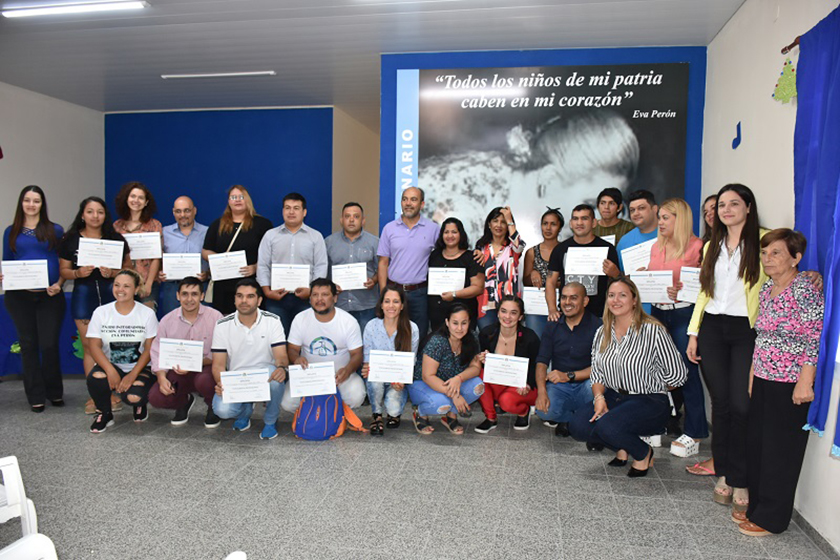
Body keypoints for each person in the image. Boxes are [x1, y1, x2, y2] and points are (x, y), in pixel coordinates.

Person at [420, 110, 640, 246]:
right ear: (549, 179)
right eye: (592, 204)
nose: (598, 220)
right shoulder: (462, 207)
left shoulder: (524, 184)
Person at [737, 229, 824, 536]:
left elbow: (814, 339)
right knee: (758, 444)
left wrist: (806, 380)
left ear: (796, 258)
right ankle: (757, 507)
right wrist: (752, 374)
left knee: (780, 450)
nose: (768, 259)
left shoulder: (806, 290)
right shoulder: (766, 289)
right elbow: (762, 336)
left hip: (790, 381)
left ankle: (772, 518)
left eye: (776, 253)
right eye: (764, 253)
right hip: (763, 376)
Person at [686, 183, 766, 513]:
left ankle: (742, 476)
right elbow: (705, 291)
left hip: (746, 330)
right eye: (721, 205)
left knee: (741, 405)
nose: (726, 210)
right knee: (720, 403)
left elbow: (786, 268)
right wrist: (693, 333)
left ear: (748, 206)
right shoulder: (711, 245)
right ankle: (725, 474)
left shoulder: (765, 240)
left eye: (734, 204)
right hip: (712, 328)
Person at [569, 278, 687, 477]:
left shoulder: (653, 330)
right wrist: (599, 398)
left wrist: (653, 387)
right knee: (578, 426)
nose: (616, 300)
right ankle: (621, 446)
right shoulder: (602, 332)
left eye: (622, 295)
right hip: (614, 396)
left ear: (634, 300)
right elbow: (597, 372)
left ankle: (643, 453)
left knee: (608, 426)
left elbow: (678, 375)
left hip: (649, 399)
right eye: (611, 295)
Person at [58, 196, 131, 415]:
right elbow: (63, 271)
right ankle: (96, 395)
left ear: (104, 215)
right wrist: (77, 273)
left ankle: (113, 392)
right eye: (90, 211)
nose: (95, 216)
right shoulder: (70, 240)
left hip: (112, 297)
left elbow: (128, 268)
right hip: (84, 296)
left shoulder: (116, 239)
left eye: (99, 212)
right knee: (90, 347)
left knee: (112, 345)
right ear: (82, 214)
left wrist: (114, 272)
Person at [647, 198, 707, 457]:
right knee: (657, 370)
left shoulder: (698, 247)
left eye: (665, 217)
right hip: (659, 312)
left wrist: (684, 289)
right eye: (659, 217)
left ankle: (695, 433)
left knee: (688, 374)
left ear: (680, 219)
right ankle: (654, 423)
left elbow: (706, 286)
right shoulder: (655, 247)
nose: (660, 222)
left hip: (684, 313)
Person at [2, 186, 67, 412]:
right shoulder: (11, 231)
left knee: (49, 345)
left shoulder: (55, 230)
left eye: (36, 201)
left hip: (50, 298)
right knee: (28, 345)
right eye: (27, 200)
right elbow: (7, 262)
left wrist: (59, 285)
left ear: (42, 204)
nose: (31, 204)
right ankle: (35, 396)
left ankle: (54, 392)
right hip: (19, 298)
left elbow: (65, 262)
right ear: (21, 203)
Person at [210, 278, 289, 440]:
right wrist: (221, 383)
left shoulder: (272, 320)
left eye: (250, 296)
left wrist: (281, 368)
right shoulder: (222, 324)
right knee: (222, 411)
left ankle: (270, 420)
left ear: (259, 300)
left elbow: (281, 356)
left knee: (276, 377)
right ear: (234, 299)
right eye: (239, 296)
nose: (244, 301)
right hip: (238, 379)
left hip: (265, 375)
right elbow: (218, 365)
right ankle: (245, 410)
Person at [86, 269, 159, 433]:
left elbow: (149, 349)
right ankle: (104, 413)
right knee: (96, 377)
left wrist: (131, 375)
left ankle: (139, 405)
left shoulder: (147, 314)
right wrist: (110, 370)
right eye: (117, 285)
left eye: (126, 286)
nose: (120, 290)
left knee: (134, 397)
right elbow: (94, 346)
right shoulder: (101, 312)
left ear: (136, 289)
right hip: (111, 365)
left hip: (139, 368)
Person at [281, 278, 367, 412]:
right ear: (309, 299)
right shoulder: (300, 319)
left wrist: (348, 370)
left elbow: (357, 354)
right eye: (315, 295)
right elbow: (292, 349)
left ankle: (334, 415)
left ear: (335, 298)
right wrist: (296, 359)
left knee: (356, 396)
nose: (319, 299)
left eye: (325, 295)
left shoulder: (348, 321)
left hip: (339, 377)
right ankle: (314, 414)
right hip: (309, 376)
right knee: (287, 402)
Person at [148, 277, 223, 427]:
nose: (189, 299)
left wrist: (194, 363)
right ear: (177, 296)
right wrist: (161, 377)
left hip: (206, 368)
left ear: (202, 296)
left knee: (205, 381)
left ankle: (212, 406)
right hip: (178, 371)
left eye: (194, 294)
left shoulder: (216, 317)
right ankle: (183, 402)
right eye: (185, 294)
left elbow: (221, 354)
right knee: (156, 397)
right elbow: (157, 352)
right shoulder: (167, 320)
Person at [534, 283, 601, 437]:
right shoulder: (552, 325)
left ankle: (580, 420)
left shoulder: (598, 326)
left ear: (585, 301)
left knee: (596, 389)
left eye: (573, 298)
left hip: (587, 383)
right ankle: (574, 419)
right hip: (559, 386)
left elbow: (600, 367)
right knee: (544, 411)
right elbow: (542, 361)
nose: (567, 302)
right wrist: (542, 391)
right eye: (563, 297)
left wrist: (569, 375)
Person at [408, 303, 485, 435]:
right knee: (441, 405)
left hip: (451, 382)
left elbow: (475, 368)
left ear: (469, 323)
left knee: (478, 386)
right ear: (447, 322)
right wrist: (455, 395)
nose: (459, 328)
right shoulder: (437, 341)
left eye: (464, 323)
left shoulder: (472, 337)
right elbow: (428, 376)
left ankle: (450, 416)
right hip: (423, 383)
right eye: (455, 323)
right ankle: (420, 413)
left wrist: (458, 378)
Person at [257, 192, 327, 335]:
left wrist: (312, 291)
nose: (291, 212)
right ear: (282, 211)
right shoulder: (270, 236)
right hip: (275, 299)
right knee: (278, 339)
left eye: (296, 208)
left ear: (304, 212)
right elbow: (263, 265)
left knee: (304, 338)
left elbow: (321, 265)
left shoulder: (316, 236)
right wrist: (267, 292)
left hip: (306, 299)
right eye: (287, 208)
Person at [202, 185, 273, 316]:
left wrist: (255, 267)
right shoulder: (217, 224)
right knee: (225, 324)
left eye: (241, 197)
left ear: (248, 200)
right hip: (223, 287)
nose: (237, 200)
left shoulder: (262, 224)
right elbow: (205, 251)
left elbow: (272, 255)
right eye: (233, 197)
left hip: (251, 284)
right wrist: (218, 260)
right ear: (229, 201)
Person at [377, 187, 438, 338]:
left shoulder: (433, 229)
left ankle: (416, 363)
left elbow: (448, 254)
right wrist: (384, 294)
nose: (408, 203)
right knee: (393, 335)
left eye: (413, 199)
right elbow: (383, 263)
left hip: (420, 294)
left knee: (420, 335)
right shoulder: (389, 229)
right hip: (394, 291)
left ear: (422, 204)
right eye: (405, 199)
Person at [474, 295, 540, 433]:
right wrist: (481, 360)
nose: (507, 317)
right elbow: (480, 366)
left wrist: (528, 382)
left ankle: (523, 412)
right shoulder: (487, 333)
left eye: (513, 313)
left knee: (507, 401)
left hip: (523, 386)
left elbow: (538, 365)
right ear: (497, 313)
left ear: (521, 316)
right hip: (498, 383)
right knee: (478, 375)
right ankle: (490, 418)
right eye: (503, 311)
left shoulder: (530, 337)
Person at [361, 285, 419, 435]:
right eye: (387, 301)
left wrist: (402, 381)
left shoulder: (412, 328)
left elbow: (410, 361)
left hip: (397, 380)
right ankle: (377, 415)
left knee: (393, 409)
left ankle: (394, 410)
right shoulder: (371, 326)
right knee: (374, 379)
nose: (391, 306)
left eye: (396, 301)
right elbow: (367, 359)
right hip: (377, 378)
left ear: (402, 306)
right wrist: (367, 368)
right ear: (381, 304)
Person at [545, 204, 620, 319]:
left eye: (584, 218)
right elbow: (550, 282)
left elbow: (619, 284)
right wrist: (552, 309)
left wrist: (616, 274)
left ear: (594, 223)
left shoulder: (607, 249)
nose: (579, 223)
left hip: (599, 316)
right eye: (575, 219)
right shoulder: (560, 249)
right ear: (570, 223)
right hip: (568, 314)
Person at [324, 202, 380, 335]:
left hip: (366, 305)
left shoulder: (375, 242)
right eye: (347, 216)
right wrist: (330, 285)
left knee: (365, 347)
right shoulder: (329, 242)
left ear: (363, 220)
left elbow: (382, 270)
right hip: (338, 305)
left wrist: (374, 280)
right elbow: (324, 272)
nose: (351, 220)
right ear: (341, 220)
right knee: (340, 346)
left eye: (356, 216)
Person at [426, 217, 484, 332]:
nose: (450, 236)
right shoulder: (435, 256)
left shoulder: (472, 257)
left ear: (460, 234)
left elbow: (478, 288)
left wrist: (453, 294)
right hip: (437, 316)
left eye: (454, 232)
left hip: (462, 318)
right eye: (446, 232)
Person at [112, 182, 163, 309]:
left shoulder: (154, 225)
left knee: (147, 315)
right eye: (133, 196)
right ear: (126, 199)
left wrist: (149, 283)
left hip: (147, 281)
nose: (136, 200)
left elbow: (157, 257)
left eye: (141, 198)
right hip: (124, 282)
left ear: (146, 202)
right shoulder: (117, 226)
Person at [158, 196, 209, 317]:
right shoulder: (164, 232)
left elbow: (214, 259)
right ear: (173, 212)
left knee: (202, 325)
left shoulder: (207, 232)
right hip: (172, 288)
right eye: (178, 211)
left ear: (194, 211)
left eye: (187, 210)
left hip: (200, 287)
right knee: (172, 326)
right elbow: (157, 259)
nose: (182, 215)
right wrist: (159, 273)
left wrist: (207, 274)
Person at [475, 206, 524, 330]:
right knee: (487, 340)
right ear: (489, 224)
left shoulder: (512, 248)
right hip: (486, 303)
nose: (499, 225)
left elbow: (518, 246)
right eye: (495, 221)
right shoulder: (481, 247)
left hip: (509, 304)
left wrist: (509, 219)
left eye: (503, 222)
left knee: (508, 340)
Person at [522, 208, 563, 338]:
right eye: (545, 223)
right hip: (536, 306)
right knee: (536, 341)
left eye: (553, 224)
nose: (548, 228)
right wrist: (532, 274)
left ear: (560, 227)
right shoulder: (532, 252)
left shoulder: (566, 250)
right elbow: (526, 282)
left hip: (559, 305)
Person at [615, 190, 659, 272]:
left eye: (641, 208)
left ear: (655, 209)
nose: (636, 213)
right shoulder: (624, 243)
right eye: (632, 210)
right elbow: (620, 277)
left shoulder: (673, 235)